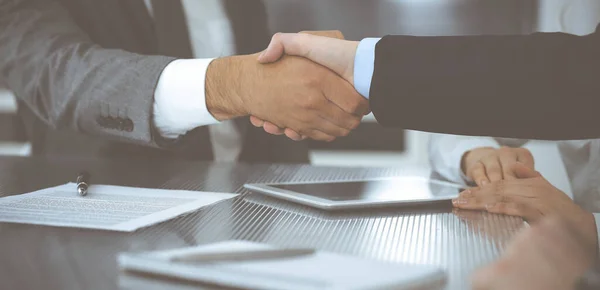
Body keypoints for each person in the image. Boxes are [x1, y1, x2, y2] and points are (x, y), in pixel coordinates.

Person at [0, 0, 368, 163]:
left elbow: (267, 70)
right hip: (99, 230)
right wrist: (233, 85)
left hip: (250, 219)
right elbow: (62, 77)